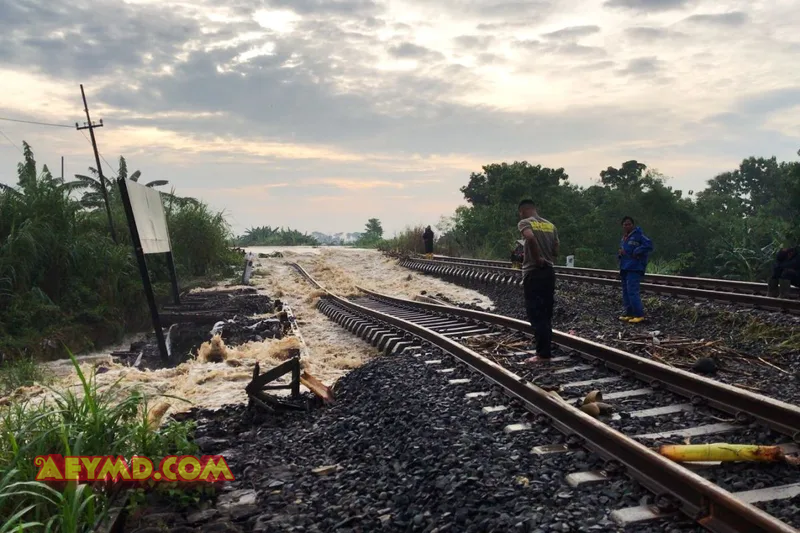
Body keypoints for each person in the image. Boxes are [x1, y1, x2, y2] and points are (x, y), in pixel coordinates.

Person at [517, 199, 559, 363]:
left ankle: (542, 355)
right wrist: (546, 256)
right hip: (550, 272)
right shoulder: (551, 225)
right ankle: (545, 350)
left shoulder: (524, 223)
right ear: (535, 208)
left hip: (534, 272)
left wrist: (537, 258)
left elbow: (530, 238)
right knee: (546, 313)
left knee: (536, 313)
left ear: (522, 211)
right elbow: (556, 249)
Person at [618, 216, 653, 323]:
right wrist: (620, 254)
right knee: (626, 291)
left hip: (635, 267)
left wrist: (638, 250)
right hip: (625, 267)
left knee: (633, 291)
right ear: (622, 226)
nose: (627, 226)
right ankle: (629, 313)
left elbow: (649, 245)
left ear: (632, 225)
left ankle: (639, 314)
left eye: (629, 224)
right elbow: (624, 251)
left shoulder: (639, 235)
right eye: (625, 224)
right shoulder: (624, 238)